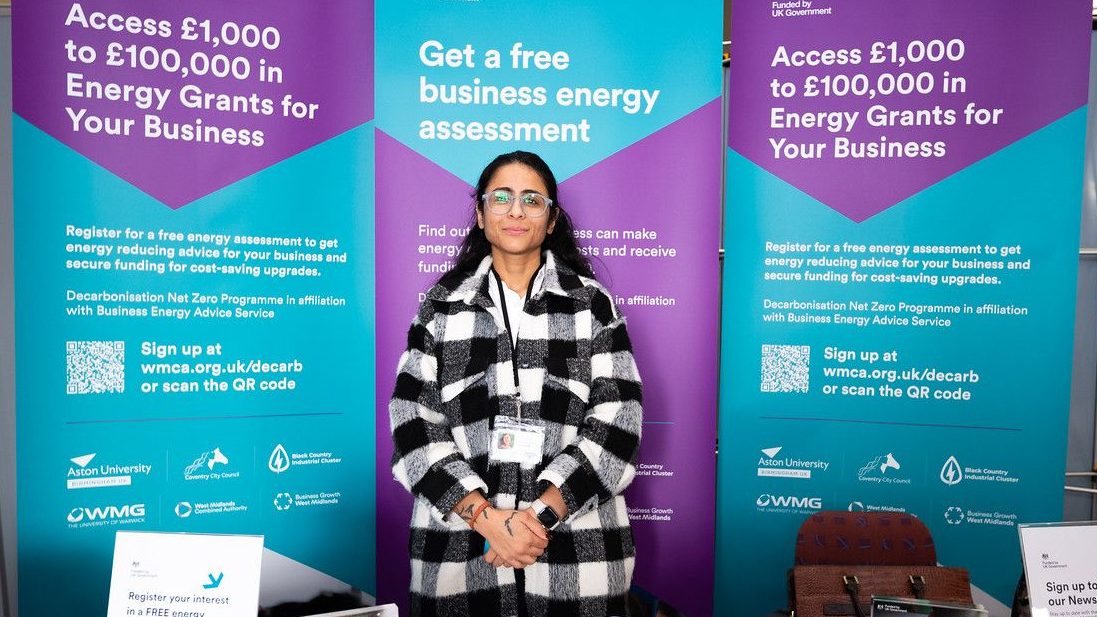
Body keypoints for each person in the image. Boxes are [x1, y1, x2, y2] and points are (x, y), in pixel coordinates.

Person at [389, 151, 643, 617]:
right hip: (460, 560)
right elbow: (413, 425)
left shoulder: (591, 305)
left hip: (578, 560)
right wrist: (486, 519)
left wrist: (537, 519)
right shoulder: (442, 307)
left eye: (532, 200)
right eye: (501, 198)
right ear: (481, 214)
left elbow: (618, 424)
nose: (516, 211)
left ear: (552, 220)